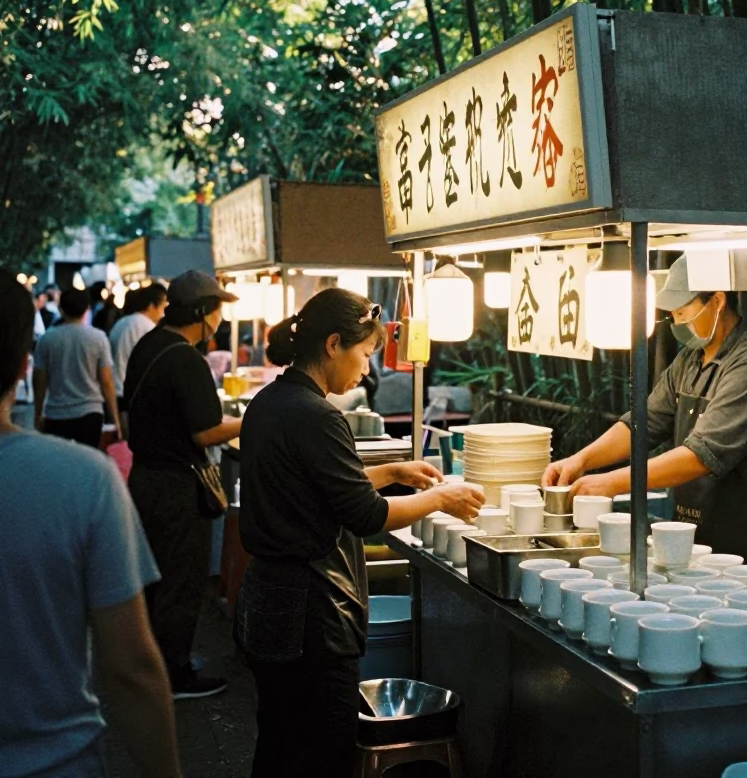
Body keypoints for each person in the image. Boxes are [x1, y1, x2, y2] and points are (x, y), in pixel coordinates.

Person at [236, 288, 485, 778]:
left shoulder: (272, 401)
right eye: (365, 353)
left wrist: (391, 471)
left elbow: (313, 487)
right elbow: (366, 515)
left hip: (269, 603)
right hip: (310, 615)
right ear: (333, 344)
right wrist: (441, 498)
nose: (367, 369)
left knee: (281, 742)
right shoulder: (317, 415)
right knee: (321, 752)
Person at [0, 269, 183, 778]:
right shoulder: (86, 481)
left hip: (55, 414)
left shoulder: (57, 337)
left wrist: (38, 418)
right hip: (56, 762)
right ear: (19, 360)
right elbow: (130, 669)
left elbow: (43, 384)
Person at [543, 255, 747, 571]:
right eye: (672, 314)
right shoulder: (690, 359)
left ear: (718, 300)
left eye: (682, 312)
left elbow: (702, 455)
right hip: (699, 521)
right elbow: (644, 423)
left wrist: (610, 483)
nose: (677, 322)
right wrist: (580, 460)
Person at [124, 269, 244, 699]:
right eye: (216, 310)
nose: (219, 319)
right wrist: (248, 421)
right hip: (176, 486)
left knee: (157, 578)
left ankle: (152, 665)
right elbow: (205, 432)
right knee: (179, 579)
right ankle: (173, 676)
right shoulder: (185, 357)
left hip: (146, 478)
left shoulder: (149, 345)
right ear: (200, 312)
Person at [32, 286, 121, 449]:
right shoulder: (98, 338)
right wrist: (116, 419)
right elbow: (107, 381)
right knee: (88, 464)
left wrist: (38, 414)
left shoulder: (47, 338)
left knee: (59, 464)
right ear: (87, 308)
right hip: (90, 413)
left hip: (56, 413)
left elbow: (39, 381)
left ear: (61, 308)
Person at [109, 282, 168, 408]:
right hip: (133, 392)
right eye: (163, 307)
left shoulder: (121, 322)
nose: (164, 314)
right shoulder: (149, 328)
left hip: (115, 389)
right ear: (152, 306)